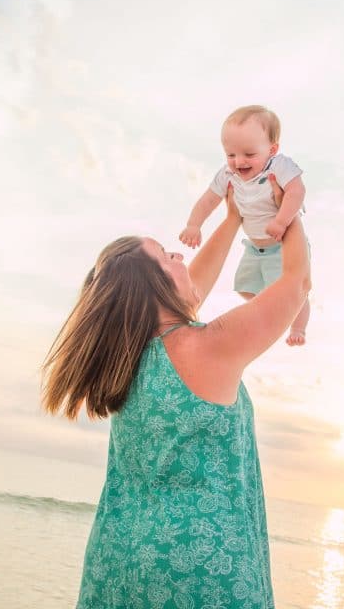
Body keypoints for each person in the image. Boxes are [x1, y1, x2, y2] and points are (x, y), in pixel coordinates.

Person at [41, 187, 310, 609]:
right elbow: (297, 286)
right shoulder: (208, 347)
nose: (180, 257)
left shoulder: (126, 357)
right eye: (168, 256)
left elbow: (188, 293)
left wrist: (234, 217)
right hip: (201, 570)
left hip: (118, 560)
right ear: (151, 289)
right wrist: (288, 210)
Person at [179, 105, 311, 346]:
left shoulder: (279, 166)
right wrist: (193, 225)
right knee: (245, 287)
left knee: (294, 291)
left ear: (272, 150)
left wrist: (282, 221)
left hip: (282, 245)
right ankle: (271, 309)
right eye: (230, 155)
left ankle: (298, 327)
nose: (239, 161)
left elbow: (297, 191)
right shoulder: (228, 176)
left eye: (249, 155)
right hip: (253, 247)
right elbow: (208, 199)